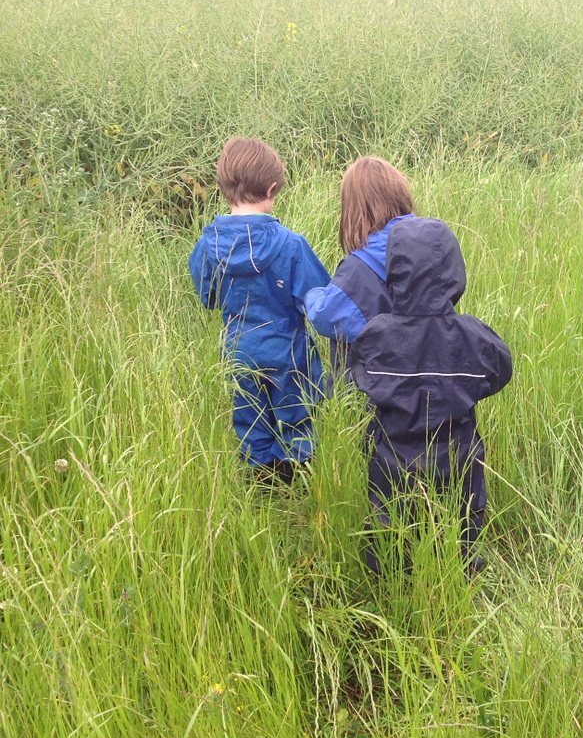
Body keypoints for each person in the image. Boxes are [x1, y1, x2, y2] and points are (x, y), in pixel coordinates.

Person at [349, 216, 512, 575]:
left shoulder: (375, 336)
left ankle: (390, 576)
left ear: (394, 271)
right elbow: (501, 370)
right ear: (454, 270)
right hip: (458, 458)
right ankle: (462, 568)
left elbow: (358, 376)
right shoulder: (474, 337)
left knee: (390, 522)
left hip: (390, 461)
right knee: (463, 519)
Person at [189, 137, 330, 485]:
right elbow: (317, 302)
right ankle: (297, 479)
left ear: (224, 188)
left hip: (238, 349)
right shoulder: (291, 245)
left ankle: (262, 483)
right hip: (289, 352)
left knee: (250, 418)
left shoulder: (207, 247)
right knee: (297, 416)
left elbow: (208, 297)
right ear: (271, 188)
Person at [304, 157, 415, 368]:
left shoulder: (358, 268)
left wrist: (312, 294)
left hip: (369, 385)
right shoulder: (426, 250)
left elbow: (325, 314)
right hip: (416, 377)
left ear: (355, 209)